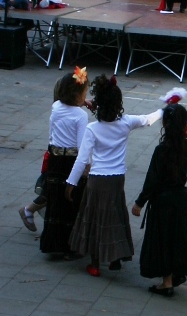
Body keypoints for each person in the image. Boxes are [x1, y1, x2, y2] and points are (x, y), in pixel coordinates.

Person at [66, 74, 162, 277]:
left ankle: (95, 263)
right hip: (117, 179)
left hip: (97, 179)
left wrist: (71, 183)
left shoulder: (92, 129)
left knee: (94, 219)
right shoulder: (126, 123)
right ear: (119, 104)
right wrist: (164, 109)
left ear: (97, 104)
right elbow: (147, 120)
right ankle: (116, 257)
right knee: (115, 216)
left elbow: (82, 160)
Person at [132, 104, 187, 297]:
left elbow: (152, 179)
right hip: (180, 197)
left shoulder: (162, 149)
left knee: (163, 238)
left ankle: (167, 281)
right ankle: (176, 273)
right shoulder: (186, 147)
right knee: (177, 237)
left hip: (162, 200)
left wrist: (139, 202)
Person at [39, 68, 90, 259]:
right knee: (71, 203)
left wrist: (82, 103)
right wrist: (86, 167)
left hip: (54, 158)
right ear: (78, 94)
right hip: (70, 161)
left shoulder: (56, 106)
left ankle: (52, 243)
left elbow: (68, 106)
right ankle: (69, 246)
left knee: (55, 200)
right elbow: (81, 146)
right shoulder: (80, 116)